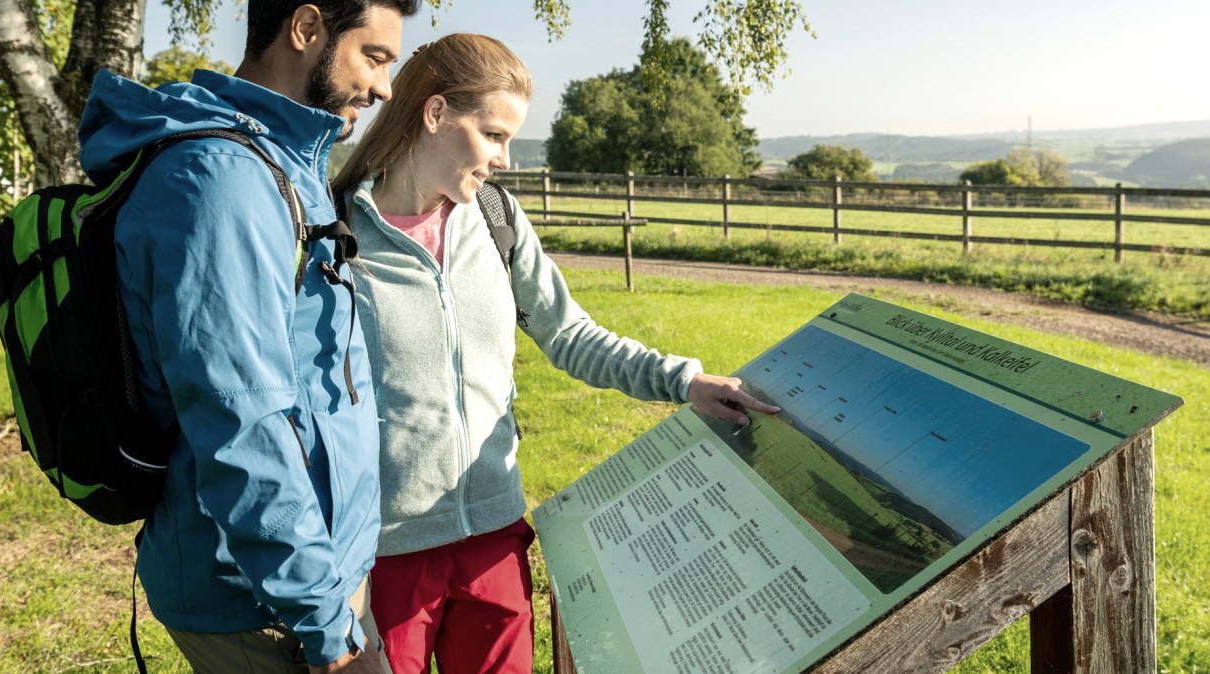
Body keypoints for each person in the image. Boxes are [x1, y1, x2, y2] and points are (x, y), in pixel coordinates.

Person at [329, 33, 780, 674]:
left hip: (495, 538)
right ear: (434, 115)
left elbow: (570, 334)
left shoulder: (496, 219)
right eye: (492, 135)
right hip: (385, 554)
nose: (505, 158)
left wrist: (685, 381)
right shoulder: (338, 233)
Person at [76, 1, 419, 671]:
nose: (384, 88)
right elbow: (243, 426)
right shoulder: (221, 184)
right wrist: (328, 629)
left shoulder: (281, 158)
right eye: (374, 57)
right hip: (264, 602)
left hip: (316, 570)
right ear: (306, 28)